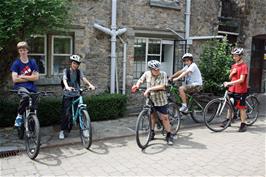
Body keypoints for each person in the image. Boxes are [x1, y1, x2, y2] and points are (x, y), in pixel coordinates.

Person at [131, 60, 174, 145]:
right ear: (151, 69)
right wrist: (136, 85)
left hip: (161, 100)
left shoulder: (163, 74)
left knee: (165, 118)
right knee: (152, 117)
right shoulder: (147, 74)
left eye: (158, 69)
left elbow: (162, 85)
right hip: (150, 100)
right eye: (155, 69)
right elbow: (140, 80)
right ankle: (152, 133)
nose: (157, 71)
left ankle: (169, 135)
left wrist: (149, 89)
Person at [59, 54, 95, 140]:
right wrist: (67, 87)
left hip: (76, 93)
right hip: (68, 94)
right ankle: (62, 130)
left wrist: (90, 85)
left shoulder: (79, 72)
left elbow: (84, 78)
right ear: (71, 63)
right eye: (74, 63)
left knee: (80, 111)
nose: (76, 65)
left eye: (77, 64)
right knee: (66, 113)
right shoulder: (66, 71)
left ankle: (84, 129)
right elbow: (64, 79)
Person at [10, 41, 39, 127]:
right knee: (26, 96)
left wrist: (23, 76)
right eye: (21, 50)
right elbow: (15, 79)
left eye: (24, 50)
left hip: (32, 88)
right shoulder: (16, 63)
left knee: (34, 104)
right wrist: (30, 77)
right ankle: (19, 116)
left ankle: (32, 122)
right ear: (19, 51)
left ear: (27, 51)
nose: (23, 52)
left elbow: (36, 77)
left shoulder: (32, 62)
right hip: (20, 87)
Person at [223, 47, 248, 132]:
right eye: (233, 56)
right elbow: (230, 77)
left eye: (236, 56)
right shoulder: (233, 65)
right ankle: (228, 120)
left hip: (240, 90)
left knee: (241, 107)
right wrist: (232, 73)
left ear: (240, 56)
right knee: (229, 105)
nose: (234, 57)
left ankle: (243, 124)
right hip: (232, 88)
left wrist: (229, 83)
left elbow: (242, 80)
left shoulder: (244, 66)